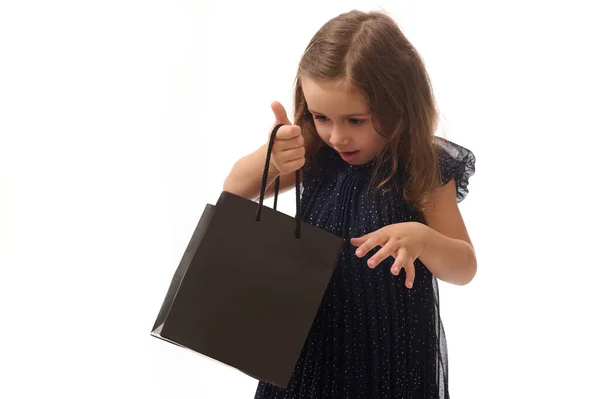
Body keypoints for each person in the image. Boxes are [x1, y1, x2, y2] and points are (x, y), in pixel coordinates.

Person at [223, 9, 477, 399]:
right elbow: (234, 194)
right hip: (309, 343)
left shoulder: (422, 164)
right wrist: (271, 159)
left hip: (389, 355)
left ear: (399, 104)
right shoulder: (315, 149)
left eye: (356, 120)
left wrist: (424, 239)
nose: (336, 135)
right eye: (321, 116)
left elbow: (464, 267)